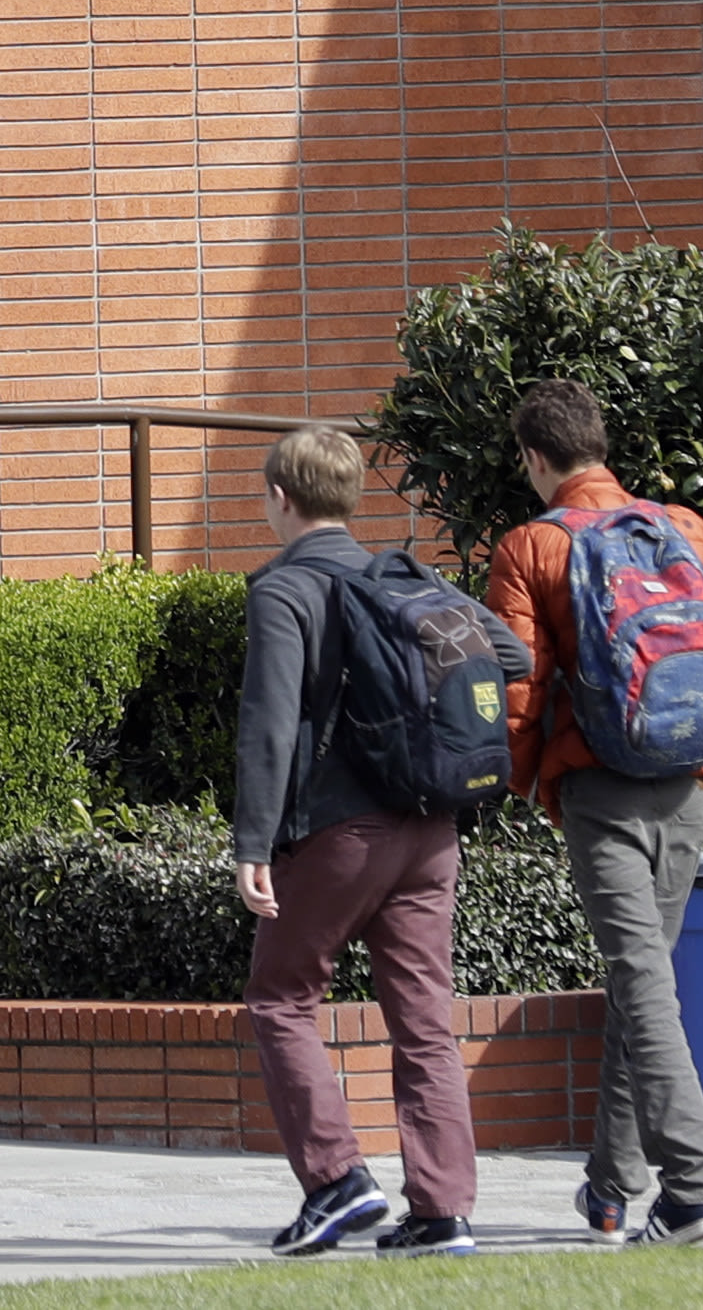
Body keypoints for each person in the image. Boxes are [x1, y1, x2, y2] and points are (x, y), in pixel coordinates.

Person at [482, 376, 703, 1246]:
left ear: (537, 459)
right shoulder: (684, 529)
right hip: (689, 782)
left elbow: (518, 692)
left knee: (642, 982)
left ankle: (691, 1192)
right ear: (601, 441)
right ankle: (609, 1194)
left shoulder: (531, 547)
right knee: (638, 980)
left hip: (600, 785)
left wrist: (536, 784)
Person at [234, 425, 528, 1258]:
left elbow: (270, 724)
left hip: (338, 830)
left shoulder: (284, 591)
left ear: (281, 498)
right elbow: (508, 653)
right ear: (351, 497)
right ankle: (442, 1212)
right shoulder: (403, 575)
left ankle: (335, 1182)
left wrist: (253, 841)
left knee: (281, 997)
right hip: (431, 826)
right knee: (424, 1021)